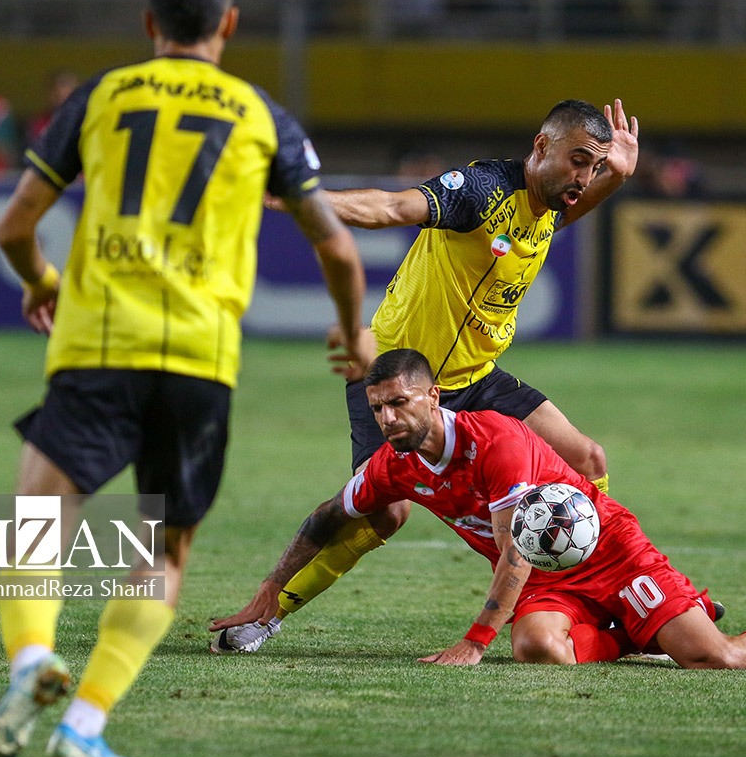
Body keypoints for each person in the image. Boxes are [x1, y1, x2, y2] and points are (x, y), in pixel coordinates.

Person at [0, 0, 371, 757]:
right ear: (229, 23)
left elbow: (13, 227)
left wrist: (42, 281)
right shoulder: (261, 115)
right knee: (162, 549)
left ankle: (30, 660)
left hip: (97, 342)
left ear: (150, 22)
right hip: (199, 358)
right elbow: (335, 245)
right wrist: (352, 331)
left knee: (38, 514)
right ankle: (84, 723)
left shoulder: (104, 95)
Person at [209, 97, 639, 655]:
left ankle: (613, 592)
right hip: (397, 376)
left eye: (594, 166)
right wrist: (299, 199)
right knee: (386, 511)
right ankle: (267, 616)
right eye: (578, 160)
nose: (584, 176)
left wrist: (616, 177)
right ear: (541, 146)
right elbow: (390, 206)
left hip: (475, 376)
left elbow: (564, 211)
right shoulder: (482, 191)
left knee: (587, 458)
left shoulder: (548, 203)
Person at [211, 348, 746, 673]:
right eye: (377, 408)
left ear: (433, 395)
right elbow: (325, 519)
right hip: (548, 579)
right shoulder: (391, 464)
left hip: (611, 551)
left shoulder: (496, 441)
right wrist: (270, 592)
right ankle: (634, 633)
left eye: (399, 403)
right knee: (539, 651)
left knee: (714, 657)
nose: (387, 418)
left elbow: (514, 548)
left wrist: (475, 639)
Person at [26, 68, 79, 144]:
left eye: (69, 95)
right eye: (57, 95)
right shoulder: (39, 124)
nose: (64, 101)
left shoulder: (85, 122)